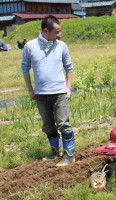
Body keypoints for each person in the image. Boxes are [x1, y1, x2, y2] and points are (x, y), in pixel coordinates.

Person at [21, 15, 75, 167]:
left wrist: (68, 88)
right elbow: (25, 69)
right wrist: (31, 90)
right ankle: (55, 152)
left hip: (59, 93)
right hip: (41, 94)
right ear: (46, 30)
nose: (59, 35)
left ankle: (69, 156)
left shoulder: (61, 45)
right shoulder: (30, 47)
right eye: (56, 31)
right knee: (48, 126)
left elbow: (69, 67)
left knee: (63, 124)